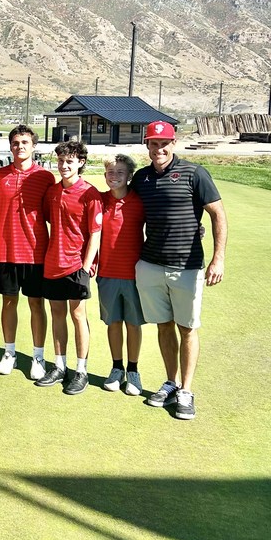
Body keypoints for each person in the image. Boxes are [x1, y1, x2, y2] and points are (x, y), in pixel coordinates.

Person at [131, 121, 227, 421]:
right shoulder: (142, 178)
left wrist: (218, 258)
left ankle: (186, 390)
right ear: (147, 145)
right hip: (150, 264)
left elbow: (218, 215)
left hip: (186, 267)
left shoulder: (195, 174)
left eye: (164, 143)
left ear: (174, 144)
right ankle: (170, 382)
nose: (159, 149)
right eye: (153, 143)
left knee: (187, 328)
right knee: (163, 325)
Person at [0, 125, 54, 379]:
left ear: (33, 145)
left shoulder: (45, 177)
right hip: (5, 251)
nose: (20, 147)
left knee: (36, 304)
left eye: (25, 142)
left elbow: (51, 215)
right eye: (15, 142)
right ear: (10, 145)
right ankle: (9, 353)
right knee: (8, 302)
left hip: (36, 252)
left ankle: (38, 357)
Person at [38, 140, 102, 395]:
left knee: (78, 317)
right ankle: (59, 366)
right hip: (52, 263)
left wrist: (86, 266)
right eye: (61, 161)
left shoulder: (90, 193)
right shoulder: (52, 192)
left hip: (77, 266)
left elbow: (95, 233)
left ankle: (81, 370)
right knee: (57, 315)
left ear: (81, 163)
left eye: (70, 161)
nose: (64, 166)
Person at [97, 154, 146, 396]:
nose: (114, 176)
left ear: (129, 176)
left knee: (133, 324)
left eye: (120, 172)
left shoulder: (140, 201)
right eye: (110, 172)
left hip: (135, 274)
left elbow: (162, 223)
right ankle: (116, 368)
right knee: (113, 322)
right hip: (106, 273)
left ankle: (133, 371)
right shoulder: (99, 200)